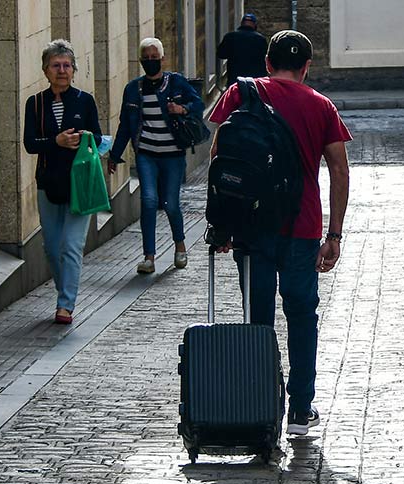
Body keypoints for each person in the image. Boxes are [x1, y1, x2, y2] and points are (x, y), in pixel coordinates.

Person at [209, 30, 351, 436]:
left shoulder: (241, 94)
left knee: (258, 317)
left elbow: (220, 160)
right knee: (303, 315)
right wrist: (334, 234)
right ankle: (301, 410)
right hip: (302, 227)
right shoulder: (321, 106)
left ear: (267, 63)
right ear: (307, 67)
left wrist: (222, 225)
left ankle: (262, 402)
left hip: (251, 227)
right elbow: (339, 170)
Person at [107, 37, 204, 274]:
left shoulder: (176, 83)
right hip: (147, 154)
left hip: (172, 155)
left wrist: (183, 109)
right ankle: (149, 257)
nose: (150, 61)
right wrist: (114, 155)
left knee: (171, 204)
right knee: (149, 201)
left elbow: (198, 103)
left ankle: (180, 246)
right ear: (141, 60)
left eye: (154, 57)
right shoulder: (133, 89)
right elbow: (125, 126)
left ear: (162, 58)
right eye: (146, 58)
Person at [24, 39, 103, 325]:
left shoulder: (84, 100)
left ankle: (65, 305)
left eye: (67, 65)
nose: (62, 70)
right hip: (48, 183)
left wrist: (85, 139)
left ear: (74, 70)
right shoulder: (35, 104)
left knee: (70, 245)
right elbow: (30, 144)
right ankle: (64, 291)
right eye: (56, 66)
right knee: (51, 246)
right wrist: (55, 142)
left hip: (79, 183)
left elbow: (98, 138)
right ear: (46, 71)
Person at [217, 13, 268, 87]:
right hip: (255, 79)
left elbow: (221, 54)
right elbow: (265, 57)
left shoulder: (230, 37)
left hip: (235, 78)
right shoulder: (260, 39)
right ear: (254, 25)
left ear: (242, 24)